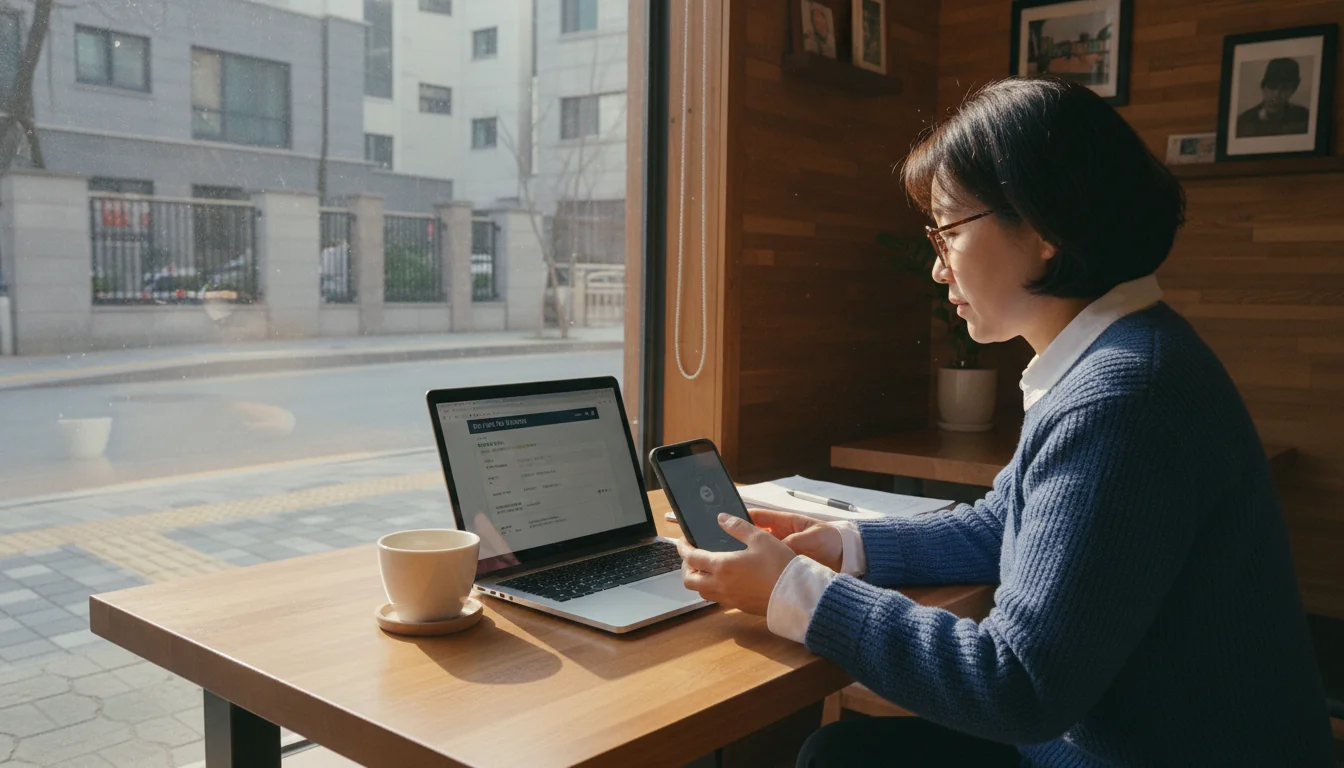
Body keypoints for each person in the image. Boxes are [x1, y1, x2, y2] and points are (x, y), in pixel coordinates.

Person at [675, 77, 1334, 767]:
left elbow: (1017, 685)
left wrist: (793, 591)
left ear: (1042, 225)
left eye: (948, 231)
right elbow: (1004, 521)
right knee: (839, 754)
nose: (937, 267)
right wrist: (841, 547)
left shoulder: (1122, 399)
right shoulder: (1129, 354)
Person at [1237, 57, 1312, 137]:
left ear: (1293, 90)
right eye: (1272, 86)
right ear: (1263, 86)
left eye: (1285, 88)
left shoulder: (1303, 118)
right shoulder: (1245, 121)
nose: (1277, 94)